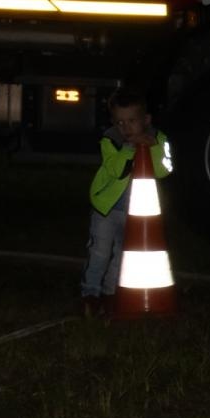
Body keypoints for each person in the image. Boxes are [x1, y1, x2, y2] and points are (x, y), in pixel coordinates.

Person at [81, 88, 170, 316]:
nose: (125, 127)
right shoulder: (111, 140)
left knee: (121, 254)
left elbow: (163, 170)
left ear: (146, 120)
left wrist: (151, 147)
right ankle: (90, 294)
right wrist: (132, 147)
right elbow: (116, 169)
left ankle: (110, 295)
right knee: (99, 252)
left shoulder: (159, 139)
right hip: (106, 209)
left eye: (131, 121)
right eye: (120, 122)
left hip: (134, 213)